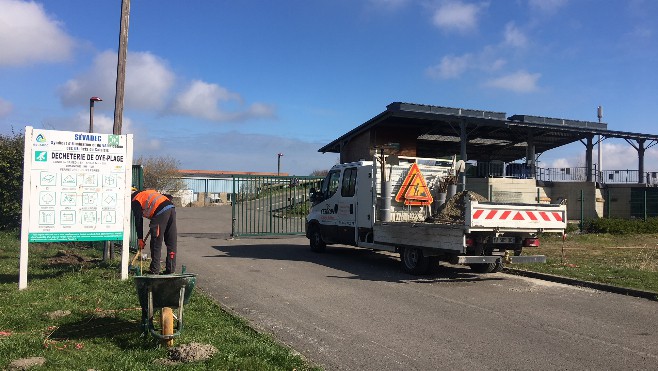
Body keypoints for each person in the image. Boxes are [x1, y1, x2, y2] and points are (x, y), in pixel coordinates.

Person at [131, 188, 177, 275]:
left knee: (156, 242)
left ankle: (154, 271)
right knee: (171, 241)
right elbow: (167, 197)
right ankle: (170, 270)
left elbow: (138, 220)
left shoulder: (136, 200)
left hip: (161, 212)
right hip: (171, 208)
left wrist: (140, 239)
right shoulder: (147, 192)